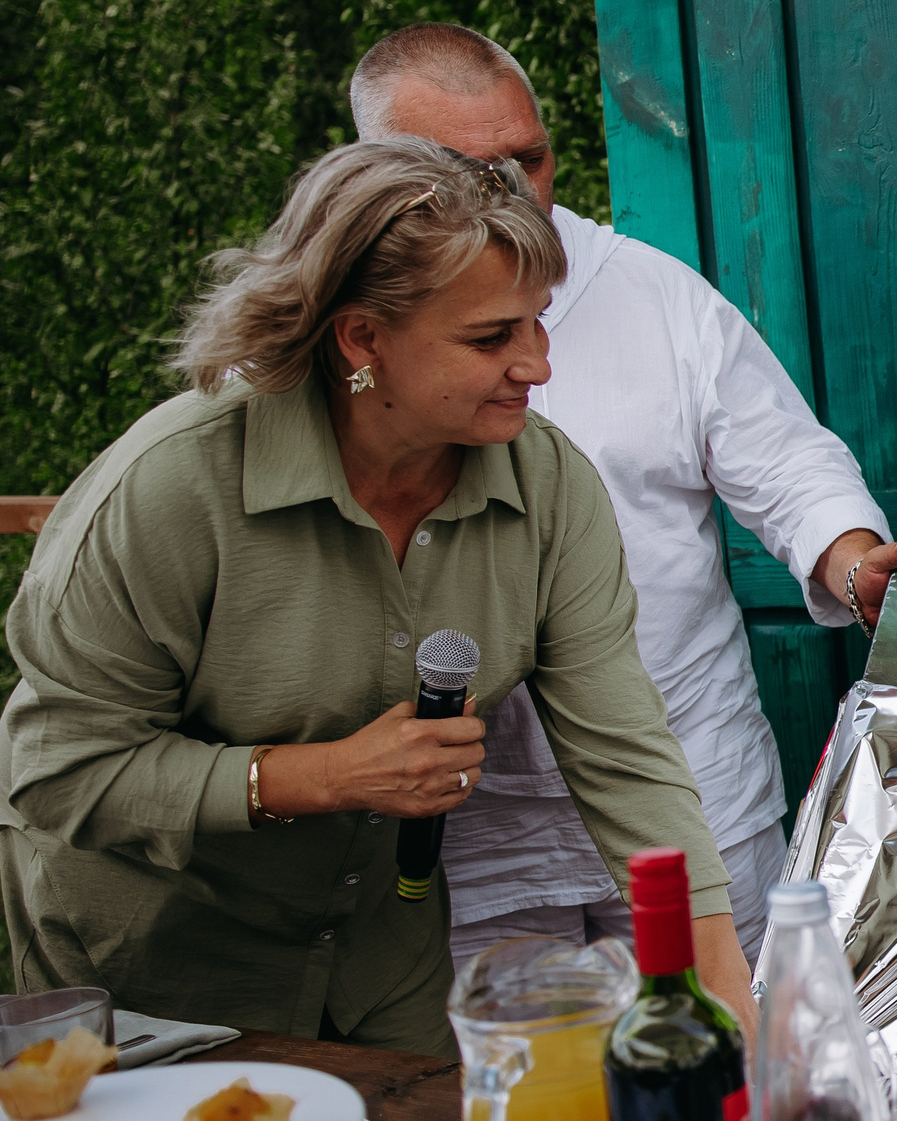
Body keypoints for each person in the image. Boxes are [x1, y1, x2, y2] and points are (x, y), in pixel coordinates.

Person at [0, 140, 751, 1054]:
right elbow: (54, 768)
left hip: (379, 967)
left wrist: (723, 990)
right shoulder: (168, 491)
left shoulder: (551, 487)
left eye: (538, 321)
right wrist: (328, 776)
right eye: (491, 337)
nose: (538, 365)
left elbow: (627, 757)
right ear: (362, 338)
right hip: (156, 973)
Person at [346, 24, 897, 967]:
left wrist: (852, 563)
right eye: (465, 169)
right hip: (477, 830)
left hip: (688, 789)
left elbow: (787, 461)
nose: (511, 191)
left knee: (726, 1069)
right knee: (529, 1085)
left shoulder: (653, 295)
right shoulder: (347, 336)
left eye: (527, 157)